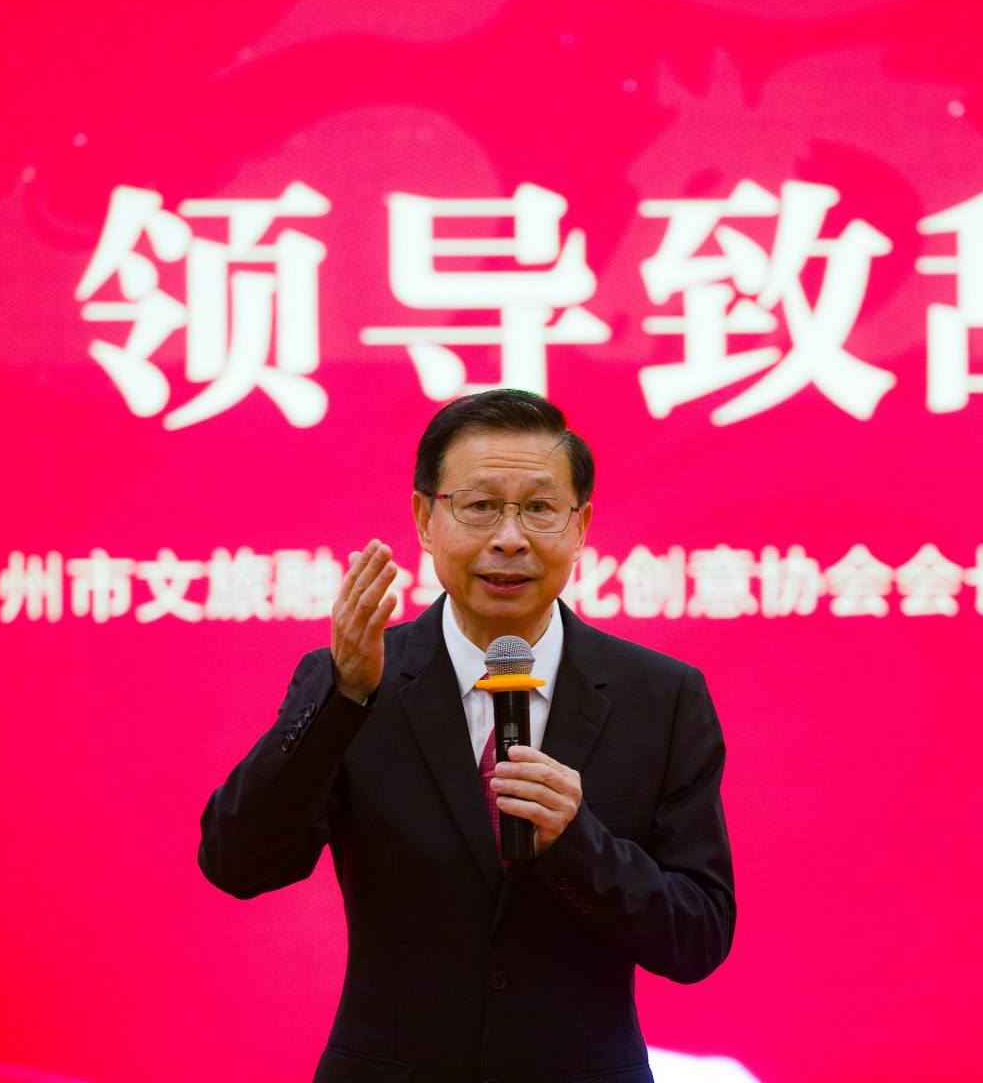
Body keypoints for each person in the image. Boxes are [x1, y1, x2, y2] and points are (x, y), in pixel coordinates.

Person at [198, 389, 735, 1083]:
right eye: (479, 506)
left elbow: (697, 936)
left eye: (538, 508)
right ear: (426, 518)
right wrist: (343, 699)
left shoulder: (661, 696)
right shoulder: (357, 681)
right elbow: (236, 863)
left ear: (579, 527)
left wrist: (577, 842)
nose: (509, 538)